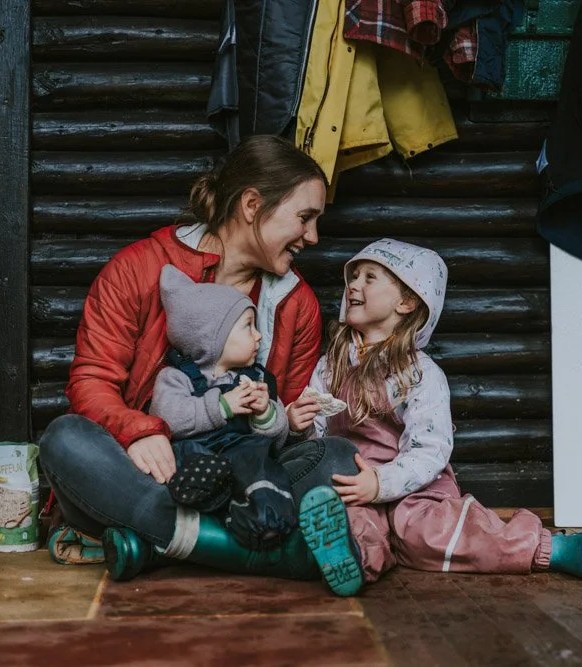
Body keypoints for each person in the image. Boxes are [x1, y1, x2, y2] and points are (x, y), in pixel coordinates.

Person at [38, 135, 361, 579]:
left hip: (248, 480)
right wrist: (139, 432)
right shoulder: (139, 268)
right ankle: (263, 553)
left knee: (339, 459)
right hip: (148, 471)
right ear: (252, 205)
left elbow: (279, 431)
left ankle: (155, 544)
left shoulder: (297, 305)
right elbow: (90, 381)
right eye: (304, 218)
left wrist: (286, 418)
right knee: (64, 439)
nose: (313, 237)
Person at [294, 239, 582, 596]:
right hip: (354, 481)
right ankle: (354, 560)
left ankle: (548, 547)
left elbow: (429, 450)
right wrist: (300, 425)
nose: (353, 284)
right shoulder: (330, 365)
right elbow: (316, 433)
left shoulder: (419, 374)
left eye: (370, 277)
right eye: (353, 276)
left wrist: (382, 482)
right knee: (354, 520)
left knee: (425, 533)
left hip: (415, 488)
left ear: (406, 303)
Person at [150, 264, 297, 551]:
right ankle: (207, 493)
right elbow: (167, 418)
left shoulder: (256, 377)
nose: (258, 336)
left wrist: (265, 414)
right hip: (197, 458)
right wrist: (221, 406)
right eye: (248, 327)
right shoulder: (177, 376)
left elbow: (278, 438)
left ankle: (266, 524)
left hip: (240, 458)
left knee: (257, 459)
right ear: (212, 338)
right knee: (187, 454)